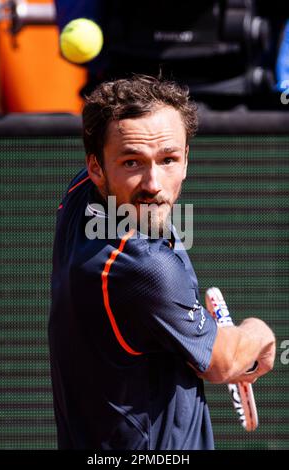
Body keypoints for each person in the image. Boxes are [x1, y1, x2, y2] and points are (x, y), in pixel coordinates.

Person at [48, 74, 276, 450]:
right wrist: (259, 334)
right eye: (133, 162)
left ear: (186, 159)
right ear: (96, 168)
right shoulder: (146, 269)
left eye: (168, 159)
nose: (153, 182)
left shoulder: (80, 194)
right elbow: (222, 361)